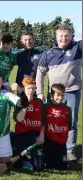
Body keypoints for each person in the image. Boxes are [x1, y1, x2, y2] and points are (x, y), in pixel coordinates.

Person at [36, 26, 82, 161]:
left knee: (71, 122)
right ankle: (51, 146)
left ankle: (69, 150)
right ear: (56, 37)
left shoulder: (77, 49)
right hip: (54, 94)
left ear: (71, 36)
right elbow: (40, 74)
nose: (64, 39)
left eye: (67, 36)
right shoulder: (48, 53)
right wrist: (39, 92)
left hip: (72, 91)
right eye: (61, 36)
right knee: (50, 121)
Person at [10, 77, 45, 171]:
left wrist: (41, 135)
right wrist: (26, 103)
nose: (31, 91)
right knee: (16, 164)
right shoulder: (19, 101)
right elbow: (18, 119)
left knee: (39, 167)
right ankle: (26, 161)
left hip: (35, 136)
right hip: (21, 134)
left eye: (33, 88)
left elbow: (43, 121)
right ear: (23, 88)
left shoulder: (39, 102)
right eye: (29, 88)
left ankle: (31, 162)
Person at [43, 83, 72, 170]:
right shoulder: (45, 107)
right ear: (51, 95)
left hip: (62, 142)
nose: (60, 98)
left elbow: (69, 124)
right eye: (58, 95)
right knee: (49, 165)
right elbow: (42, 123)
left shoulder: (67, 109)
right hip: (48, 140)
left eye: (62, 95)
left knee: (62, 166)